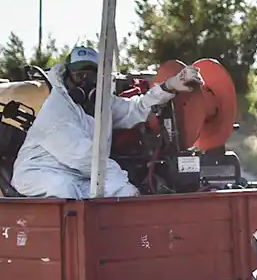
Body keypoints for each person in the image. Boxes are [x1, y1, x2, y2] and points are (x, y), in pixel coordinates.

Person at [11, 47, 203, 199]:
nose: (86, 82)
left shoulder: (102, 104)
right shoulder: (57, 111)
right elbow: (86, 158)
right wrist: (126, 188)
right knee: (65, 189)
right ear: (67, 77)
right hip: (38, 173)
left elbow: (134, 109)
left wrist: (169, 86)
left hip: (81, 175)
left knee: (108, 193)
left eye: (92, 76)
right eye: (80, 76)